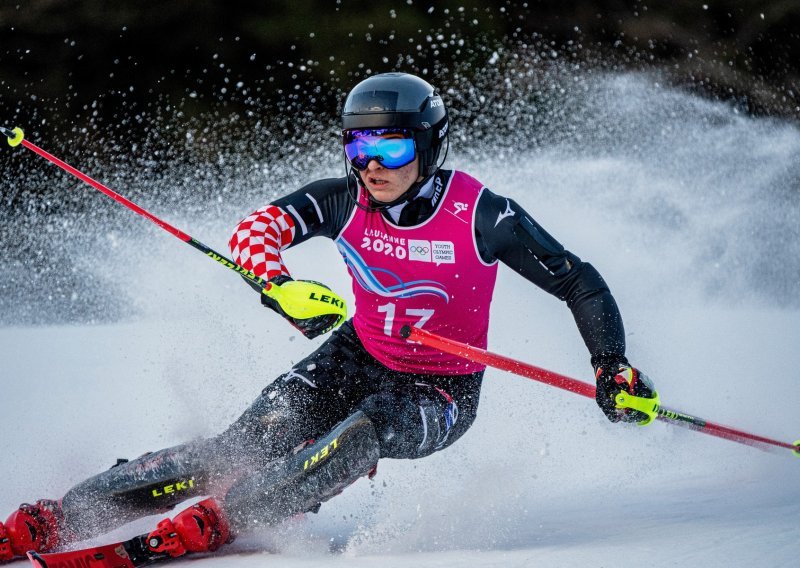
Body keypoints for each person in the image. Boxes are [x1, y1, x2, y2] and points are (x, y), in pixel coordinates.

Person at [0, 72, 657, 562]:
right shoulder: (344, 200)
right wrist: (280, 286)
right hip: (355, 353)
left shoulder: (484, 215)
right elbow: (259, 230)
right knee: (236, 448)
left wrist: (613, 367)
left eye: (393, 150)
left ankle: (230, 518)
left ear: (429, 148)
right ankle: (63, 516)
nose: (372, 166)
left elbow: (578, 280)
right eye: (359, 147)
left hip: (440, 389)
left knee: (362, 431)